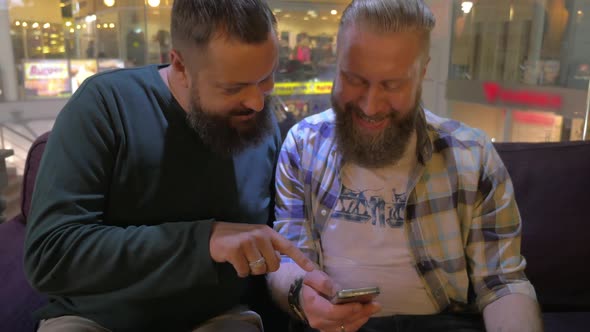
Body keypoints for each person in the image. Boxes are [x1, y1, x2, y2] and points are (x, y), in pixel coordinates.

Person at [23, 1, 314, 332]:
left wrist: (301, 293)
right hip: (98, 318)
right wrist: (204, 242)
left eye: (267, 78)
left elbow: (276, 247)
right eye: (233, 88)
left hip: (219, 317)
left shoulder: (260, 124)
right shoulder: (106, 106)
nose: (257, 102)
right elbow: (51, 255)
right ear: (180, 65)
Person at [267, 1, 543, 332]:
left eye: (393, 84)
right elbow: (289, 258)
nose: (370, 105)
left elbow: (502, 284)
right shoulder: (302, 145)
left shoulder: (473, 154)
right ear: (336, 63)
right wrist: (300, 295)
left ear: (422, 73)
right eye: (353, 79)